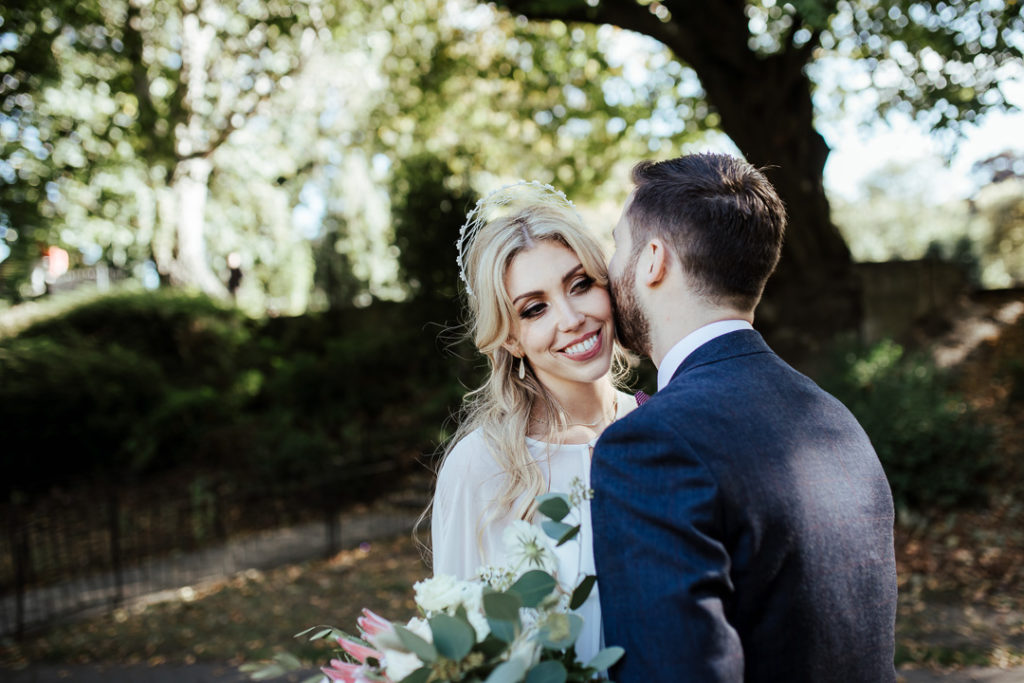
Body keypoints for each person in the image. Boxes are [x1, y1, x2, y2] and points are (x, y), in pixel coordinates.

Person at [591, 153, 898, 682]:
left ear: (653, 261)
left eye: (618, 245)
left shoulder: (650, 442)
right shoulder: (837, 421)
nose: (607, 268)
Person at [430, 181, 637, 665]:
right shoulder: (481, 467)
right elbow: (459, 652)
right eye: (535, 308)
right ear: (511, 339)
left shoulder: (663, 425)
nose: (571, 318)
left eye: (580, 284)